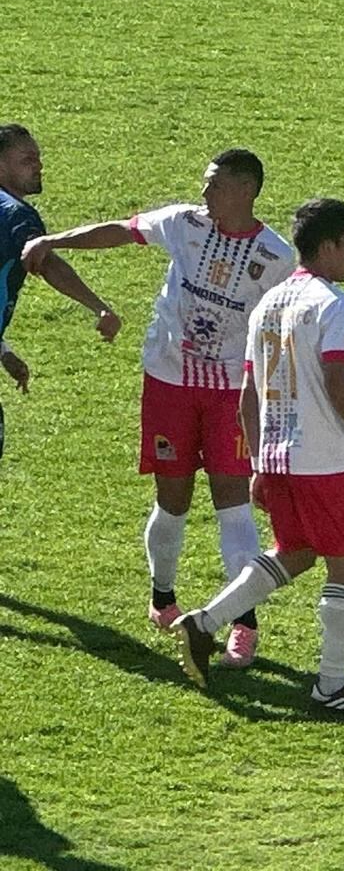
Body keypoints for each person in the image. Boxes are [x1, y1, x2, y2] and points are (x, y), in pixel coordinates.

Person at [21, 149, 294, 666]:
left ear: (245, 191)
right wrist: (54, 240)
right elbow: (123, 231)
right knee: (173, 497)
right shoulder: (184, 223)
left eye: (214, 184)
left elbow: (285, 330)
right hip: (169, 379)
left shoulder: (276, 256)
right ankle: (163, 598)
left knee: (232, 500)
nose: (204, 191)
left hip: (233, 391)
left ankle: (244, 623)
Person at [171, 198, 344, 713]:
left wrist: (257, 461)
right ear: (329, 245)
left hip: (277, 456)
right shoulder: (332, 304)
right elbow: (337, 380)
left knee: (296, 551)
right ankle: (331, 687)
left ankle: (203, 623)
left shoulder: (268, 303)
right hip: (324, 460)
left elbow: (248, 393)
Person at [0, 124, 120, 460]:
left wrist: (4, 351)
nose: (39, 166)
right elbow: (44, 260)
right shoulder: (15, 214)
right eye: (27, 159)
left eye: (38, 157)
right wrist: (99, 307)